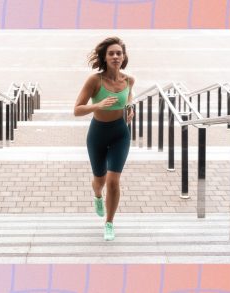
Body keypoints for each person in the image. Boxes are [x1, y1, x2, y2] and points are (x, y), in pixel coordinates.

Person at [74, 37, 135, 241]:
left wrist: (130, 107)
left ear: (123, 57)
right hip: (98, 134)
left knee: (113, 180)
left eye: (119, 53)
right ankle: (98, 196)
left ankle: (109, 222)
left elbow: (129, 96)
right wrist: (97, 105)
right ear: (105, 57)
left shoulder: (128, 80)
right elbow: (77, 110)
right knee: (99, 180)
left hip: (121, 133)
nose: (116, 56)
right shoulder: (95, 80)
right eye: (111, 53)